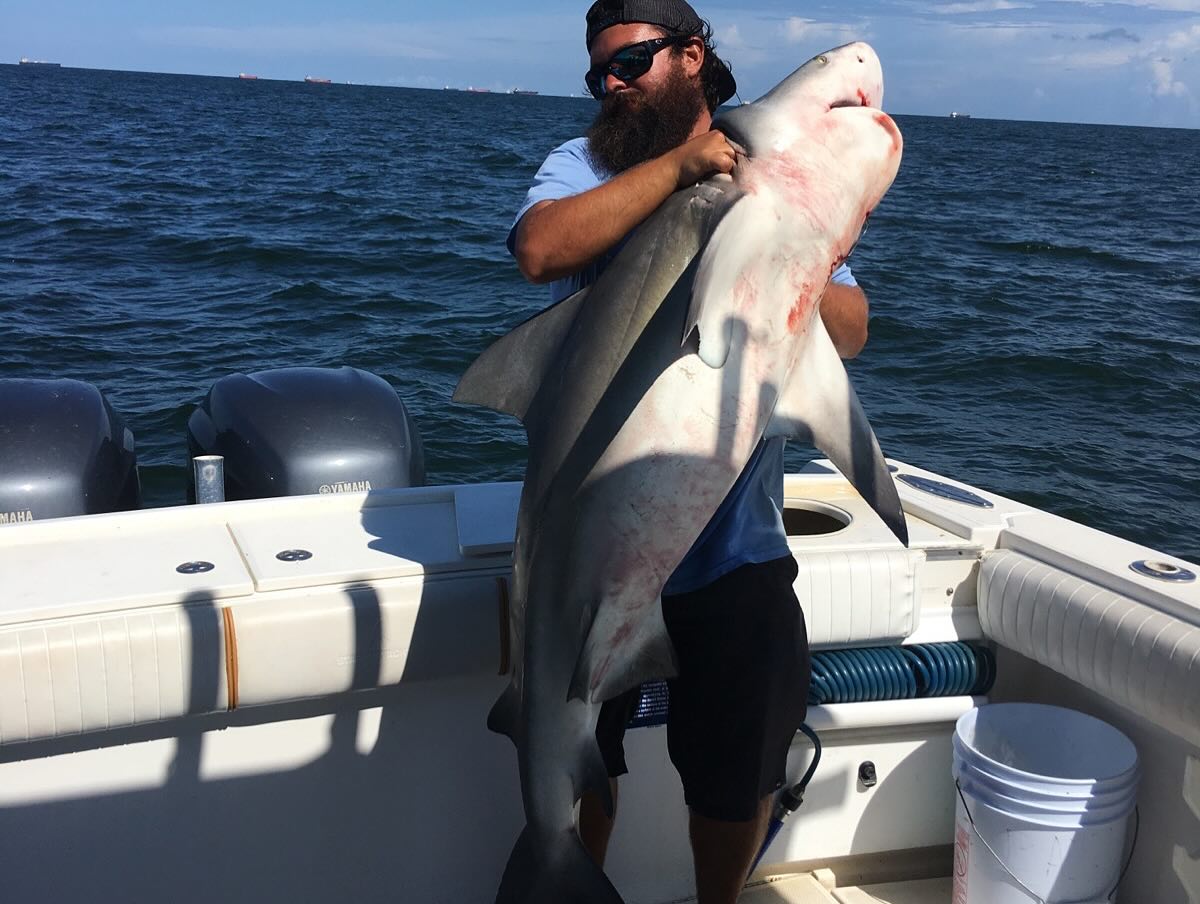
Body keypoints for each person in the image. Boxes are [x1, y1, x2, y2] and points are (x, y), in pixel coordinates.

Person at [507, 2, 870, 902]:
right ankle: (568, 879)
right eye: (601, 74)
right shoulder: (585, 163)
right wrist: (680, 169)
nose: (614, 86)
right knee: (590, 754)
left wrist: (808, 253)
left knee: (736, 771)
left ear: (692, 55)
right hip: (591, 549)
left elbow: (853, 333)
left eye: (631, 61)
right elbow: (541, 249)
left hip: (730, 543)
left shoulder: (777, 176)